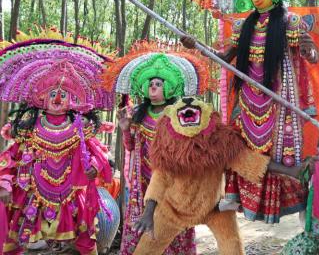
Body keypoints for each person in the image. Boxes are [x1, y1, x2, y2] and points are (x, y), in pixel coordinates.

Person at [181, 0, 319, 224]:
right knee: (239, 145)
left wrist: (309, 51)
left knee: (279, 151)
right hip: (247, 98)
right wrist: (197, 46)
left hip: (278, 98)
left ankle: (290, 199)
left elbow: (313, 57)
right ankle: (235, 195)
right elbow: (223, 58)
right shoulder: (243, 27)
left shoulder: (290, 22)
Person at [0, 36, 114, 255]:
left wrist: (94, 166)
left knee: (85, 236)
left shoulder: (80, 126)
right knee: (17, 235)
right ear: (41, 98)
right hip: (32, 190)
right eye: (52, 94)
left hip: (71, 191)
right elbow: (11, 155)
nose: (58, 99)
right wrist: (4, 183)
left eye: (63, 94)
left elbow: (97, 151)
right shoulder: (29, 127)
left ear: (72, 99)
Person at [106, 52, 197, 255]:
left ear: (169, 87)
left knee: (170, 229)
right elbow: (131, 147)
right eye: (150, 83)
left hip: (172, 183)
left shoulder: (179, 113)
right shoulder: (138, 113)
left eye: (158, 83)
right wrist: (125, 128)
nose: (153, 86)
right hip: (143, 184)